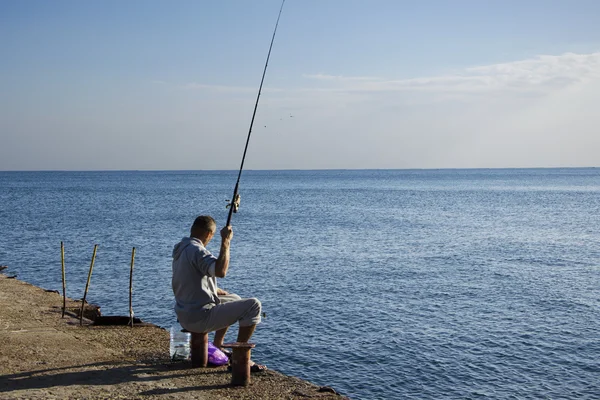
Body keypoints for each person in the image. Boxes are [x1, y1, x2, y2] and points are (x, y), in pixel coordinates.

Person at [172, 215, 266, 371]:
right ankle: (240, 358)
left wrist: (215, 290)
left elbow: (189, 280)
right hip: (199, 317)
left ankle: (218, 345)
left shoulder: (181, 249)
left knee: (234, 299)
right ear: (209, 234)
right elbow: (220, 271)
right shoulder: (197, 250)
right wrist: (226, 242)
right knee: (253, 305)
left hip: (185, 312)